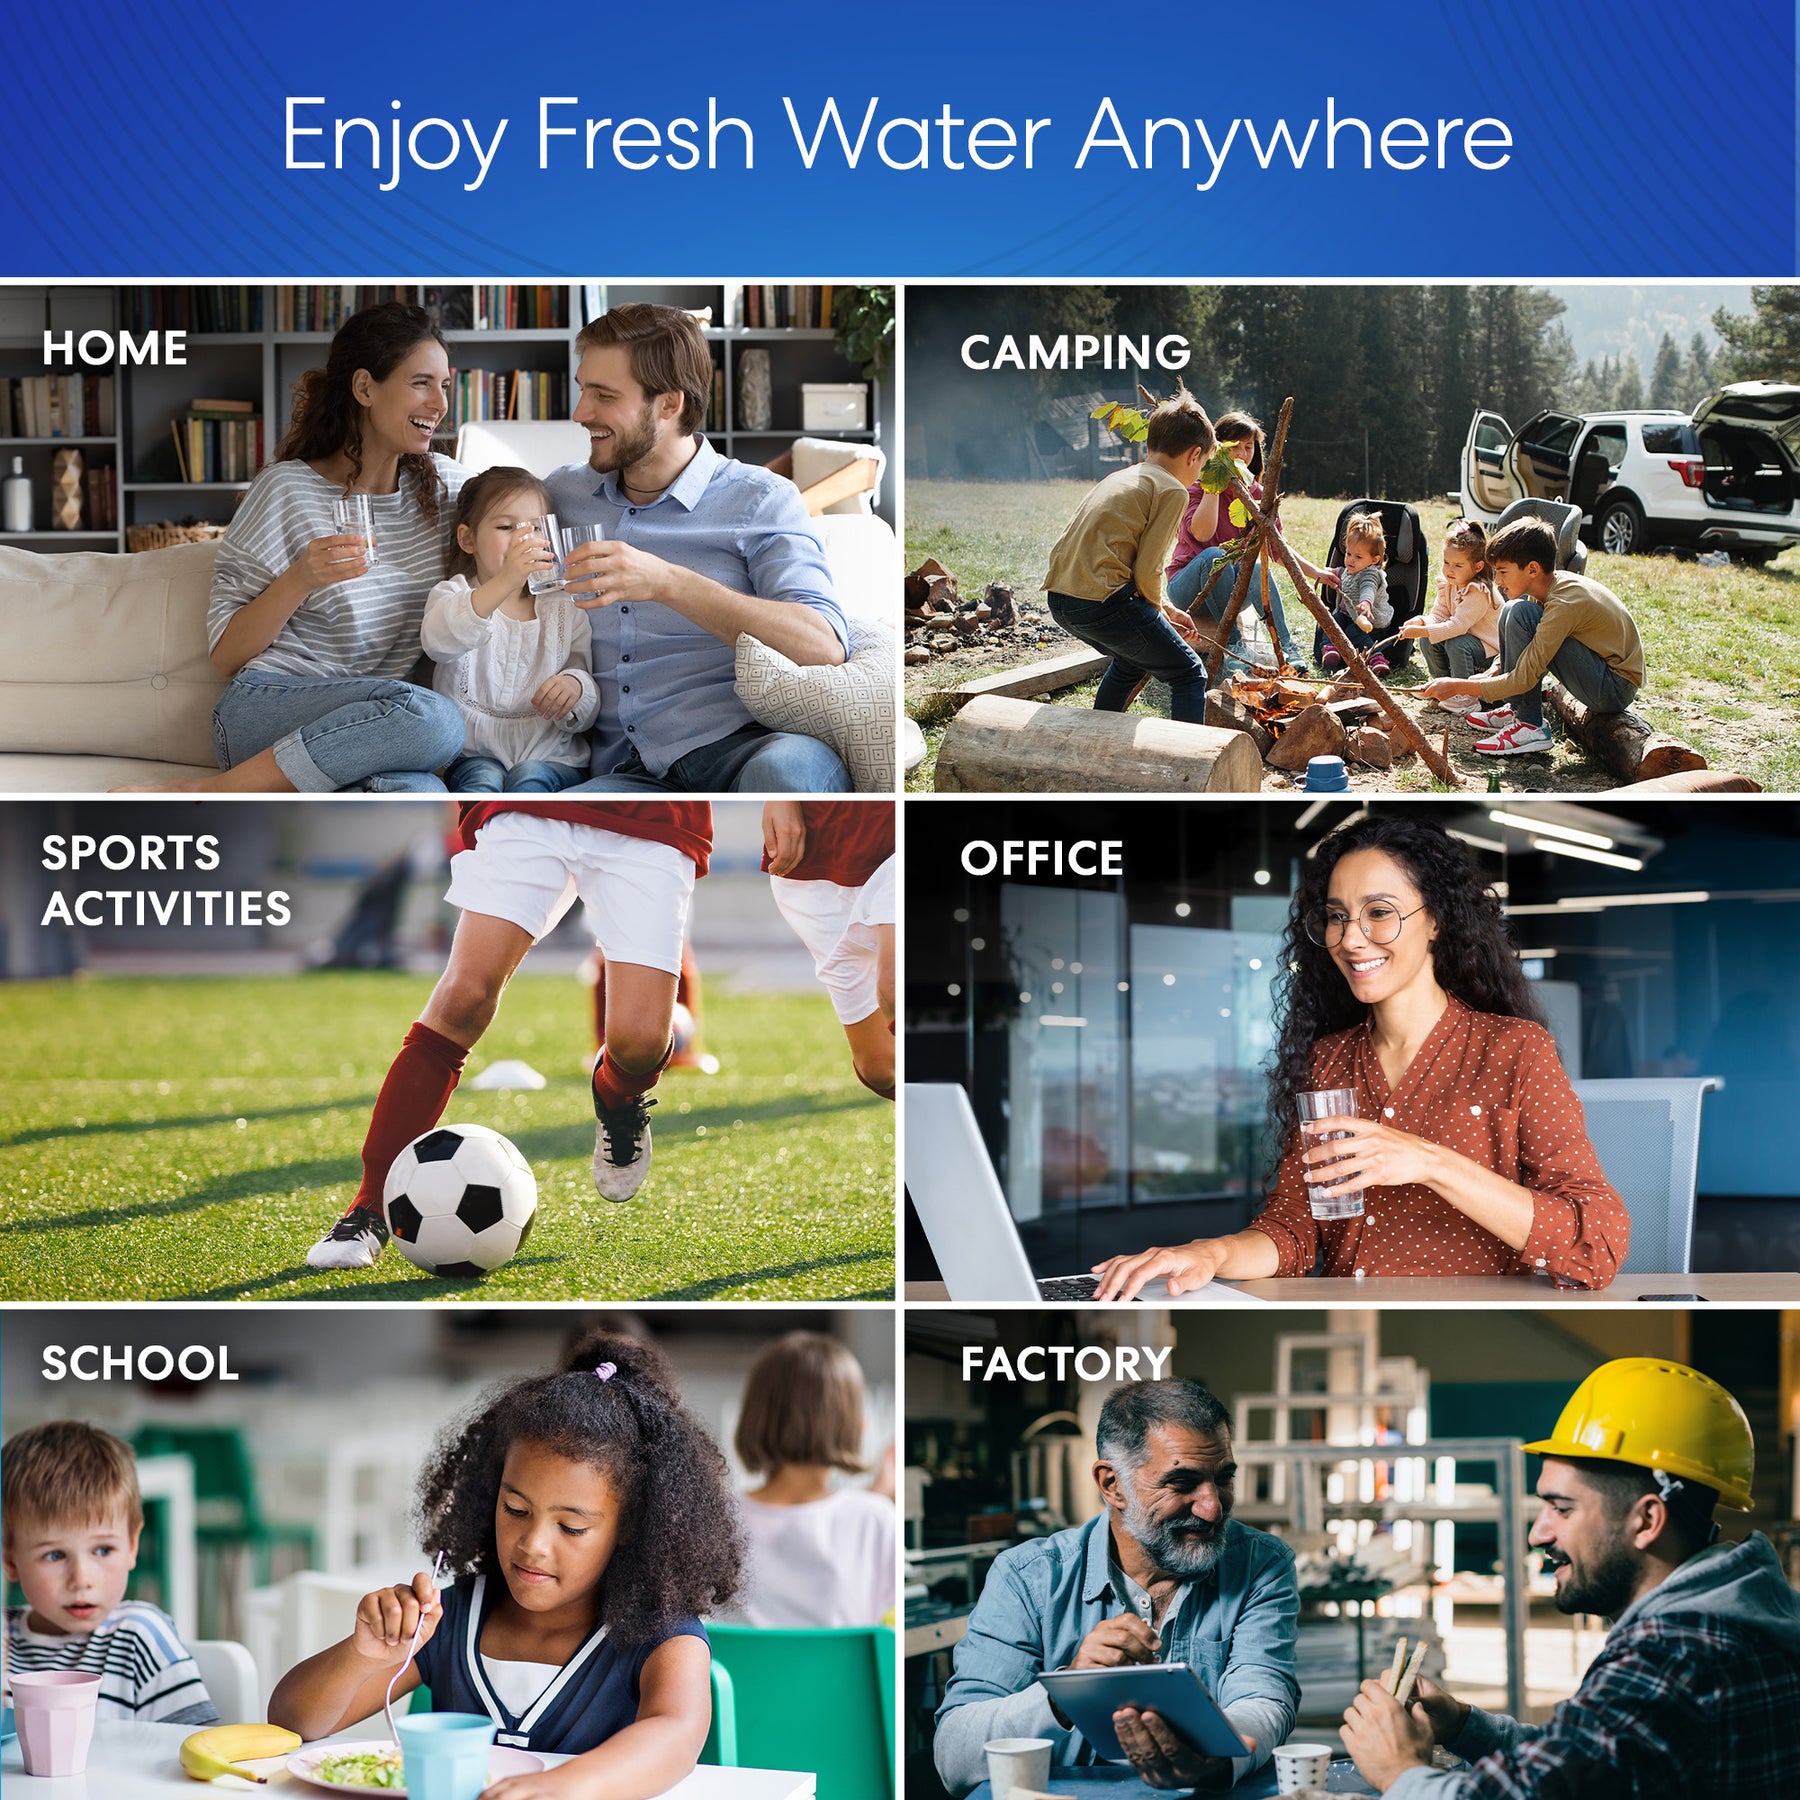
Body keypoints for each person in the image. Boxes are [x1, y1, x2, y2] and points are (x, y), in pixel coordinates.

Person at [1092, 815, 1627, 1299]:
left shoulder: (1514, 1049)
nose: (1351, 940)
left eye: (1379, 913)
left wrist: (1431, 1162)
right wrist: (1209, 1254)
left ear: (1436, 920)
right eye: (1337, 916)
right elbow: (1293, 1232)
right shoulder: (1327, 1060)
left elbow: (1596, 1243)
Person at [269, 1330, 740, 1796]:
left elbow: (675, 1736)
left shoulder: (662, 1635)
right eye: (515, 1510)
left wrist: (562, 1787)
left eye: (571, 1527)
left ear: (631, 1528)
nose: (532, 1544)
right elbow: (293, 1722)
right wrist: (363, 1656)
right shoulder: (449, 1620)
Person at [1340, 1357, 1800, 1797]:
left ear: (1646, 1521)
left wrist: (1400, 1769)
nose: (1538, 1532)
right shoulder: (1730, 1622)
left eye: (1562, 1508)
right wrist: (1463, 1727)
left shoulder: (1673, 1655)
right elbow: (1583, 1768)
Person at [306, 799, 711, 1270]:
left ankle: (616, 1093)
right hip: (533, 803)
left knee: (640, 1044)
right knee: (464, 996)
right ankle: (369, 1206)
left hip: (649, 815)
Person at [124, 301, 468, 793]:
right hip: (268, 707)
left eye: (444, 386)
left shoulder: (448, 490)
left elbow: (528, 508)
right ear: (365, 388)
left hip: (374, 730)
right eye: (421, 383)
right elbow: (226, 655)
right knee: (437, 722)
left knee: (423, 795)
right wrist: (301, 578)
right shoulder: (286, 489)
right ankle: (215, 792)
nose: (439, 403)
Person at [543, 304, 853, 794]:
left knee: (784, 776)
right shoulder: (560, 497)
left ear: (669, 404)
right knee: (542, 825)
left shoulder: (760, 499)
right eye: (584, 389)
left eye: (603, 396)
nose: (581, 413)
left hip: (751, 749)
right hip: (628, 774)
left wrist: (668, 582)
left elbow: (823, 648)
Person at [934, 1379, 1297, 1795]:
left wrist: (1219, 1759)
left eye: (1223, 1479)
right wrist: (1066, 1691)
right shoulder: (1027, 1578)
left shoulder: (1261, 1565)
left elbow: (1263, 1698)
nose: (1212, 1507)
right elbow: (953, 1756)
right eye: (1181, 1483)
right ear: (1112, 1485)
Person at [2, 1421, 217, 1726]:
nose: (81, 1579)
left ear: (131, 1546)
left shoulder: (139, 1638)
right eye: (54, 1555)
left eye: (103, 1550)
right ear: (10, 1561)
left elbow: (196, 1749)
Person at [421, 466, 599, 793]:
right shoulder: (454, 595)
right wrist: (506, 580)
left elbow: (582, 674)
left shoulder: (565, 606)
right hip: (474, 756)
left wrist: (575, 687)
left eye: (535, 528)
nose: (523, 539)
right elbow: (437, 642)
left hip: (553, 759)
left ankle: (529, 840)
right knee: (483, 780)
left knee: (529, 777)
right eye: (506, 527)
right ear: (468, 539)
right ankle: (478, 840)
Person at [1041, 392, 1216, 724]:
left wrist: (1164, 608)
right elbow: (1148, 567)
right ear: (1195, 455)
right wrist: (1158, 618)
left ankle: (1098, 737)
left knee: (1130, 660)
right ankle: (1186, 766)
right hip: (1102, 603)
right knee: (1189, 672)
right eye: (1204, 464)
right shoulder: (1172, 489)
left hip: (1063, 600)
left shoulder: (1122, 476)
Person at [1419, 516, 1644, 758]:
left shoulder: (1564, 603)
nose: (1498, 581)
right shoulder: (1546, 587)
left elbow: (1526, 675)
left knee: (1520, 612)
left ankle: (1530, 726)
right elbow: (1524, 649)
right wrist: (1493, 671)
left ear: (1532, 569)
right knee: (1513, 609)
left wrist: (1458, 686)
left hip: (1613, 688)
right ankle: (1517, 709)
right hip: (1599, 673)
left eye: (1503, 572)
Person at [724, 1331, 895, 1629]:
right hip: (844, 1678)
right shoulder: (874, 1517)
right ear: (853, 1424)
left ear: (753, 1416)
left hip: (743, 1677)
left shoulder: (716, 1515)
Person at [1164, 412, 1319, 672]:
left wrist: (1316, 572)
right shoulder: (1197, 487)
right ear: (1217, 449)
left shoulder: (1256, 494)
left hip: (1229, 591)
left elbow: (1276, 546)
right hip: (1188, 589)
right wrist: (1215, 482)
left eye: (1248, 447)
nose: (1243, 454)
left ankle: (1287, 648)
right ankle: (1234, 647)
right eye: (1235, 446)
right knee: (1215, 555)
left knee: (1257, 568)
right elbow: (1202, 535)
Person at [762, 800, 895, 1101]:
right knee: (879, 1067)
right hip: (815, 847)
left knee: (893, 988)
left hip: (894, 837)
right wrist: (779, 794)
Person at [1398, 519, 1501, 714]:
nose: (1449, 570)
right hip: (1467, 640)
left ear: (1478, 567)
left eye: (1457, 565)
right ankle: (1442, 687)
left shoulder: (1479, 591)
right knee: (1429, 640)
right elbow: (1439, 614)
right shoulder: (1449, 584)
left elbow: (1458, 625)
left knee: (1456, 643)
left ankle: (1465, 697)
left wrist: (1423, 629)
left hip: (1490, 650)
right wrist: (1420, 622)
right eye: (1446, 563)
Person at [1318, 511, 1393, 673]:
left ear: (1374, 560)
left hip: (1371, 620)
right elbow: (1334, 572)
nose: (1351, 559)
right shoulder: (1347, 571)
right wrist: (1320, 572)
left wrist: (1366, 603)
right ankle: (1330, 649)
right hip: (1348, 616)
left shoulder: (1371, 573)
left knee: (1353, 632)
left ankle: (1376, 657)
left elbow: (1368, 588)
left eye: (1358, 557)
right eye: (1348, 553)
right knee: (1332, 621)